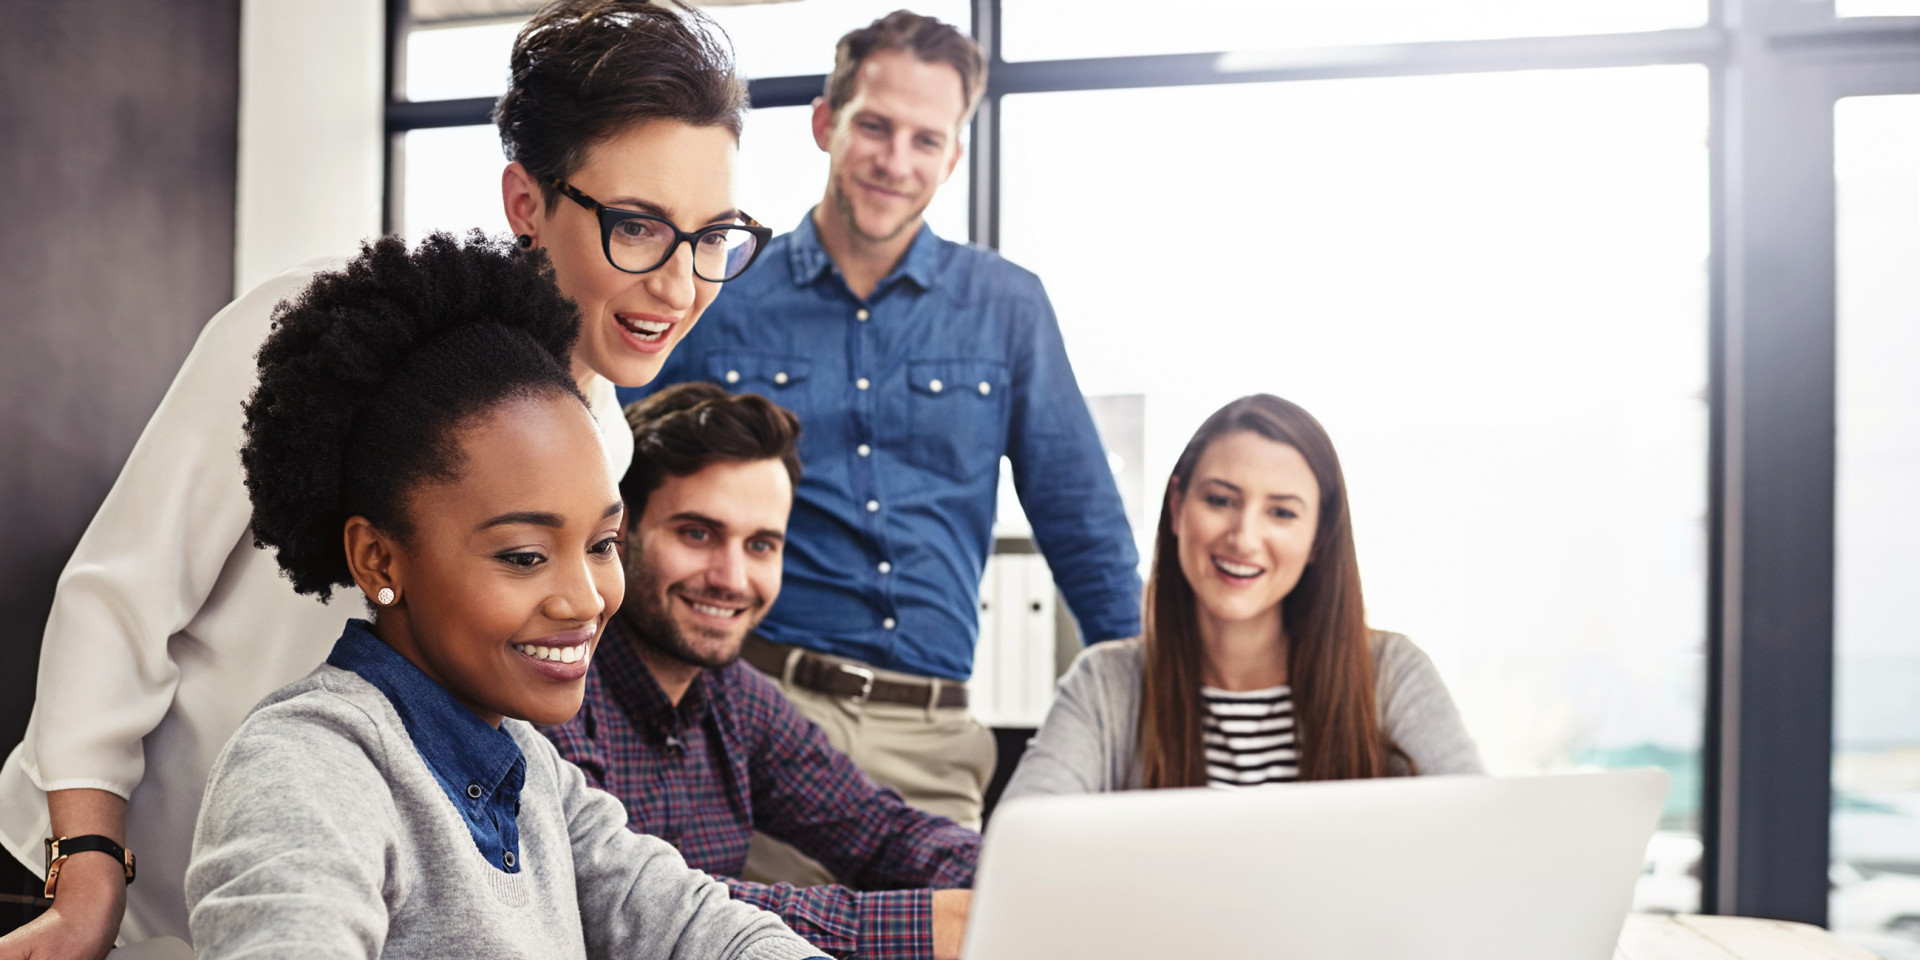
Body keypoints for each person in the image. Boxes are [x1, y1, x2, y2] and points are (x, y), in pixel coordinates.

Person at [0, 2, 767, 952]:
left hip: (382, 906)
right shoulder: (309, 338)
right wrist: (86, 874)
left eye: (714, 236)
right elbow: (118, 607)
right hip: (150, 899)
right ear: (526, 202)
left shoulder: (601, 446)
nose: (681, 284)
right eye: (642, 228)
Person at [184, 232, 821, 960]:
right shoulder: (308, 766)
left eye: (603, 545)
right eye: (524, 556)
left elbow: (698, 926)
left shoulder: (530, 767)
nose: (584, 601)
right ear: (377, 558)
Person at [637, 10, 1140, 838]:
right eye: (874, 126)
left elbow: (1085, 530)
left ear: (954, 156)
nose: (895, 161)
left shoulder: (1008, 308)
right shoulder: (718, 290)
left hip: (933, 743)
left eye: (925, 140)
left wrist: (1144, 727)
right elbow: (621, 490)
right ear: (826, 123)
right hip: (753, 716)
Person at [543, 383, 979, 960]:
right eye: (698, 534)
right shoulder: (558, 683)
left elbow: (879, 830)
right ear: (618, 535)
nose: (732, 578)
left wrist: (1011, 881)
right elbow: (625, 902)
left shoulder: (734, 696)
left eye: (762, 545)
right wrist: (929, 924)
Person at [1000, 395, 1483, 801]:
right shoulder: (1105, 685)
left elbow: (1484, 845)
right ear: (1176, 507)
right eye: (1220, 501)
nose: (1244, 537)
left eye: (1281, 512)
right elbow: (1015, 861)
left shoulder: (1393, 673)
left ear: (1319, 536)